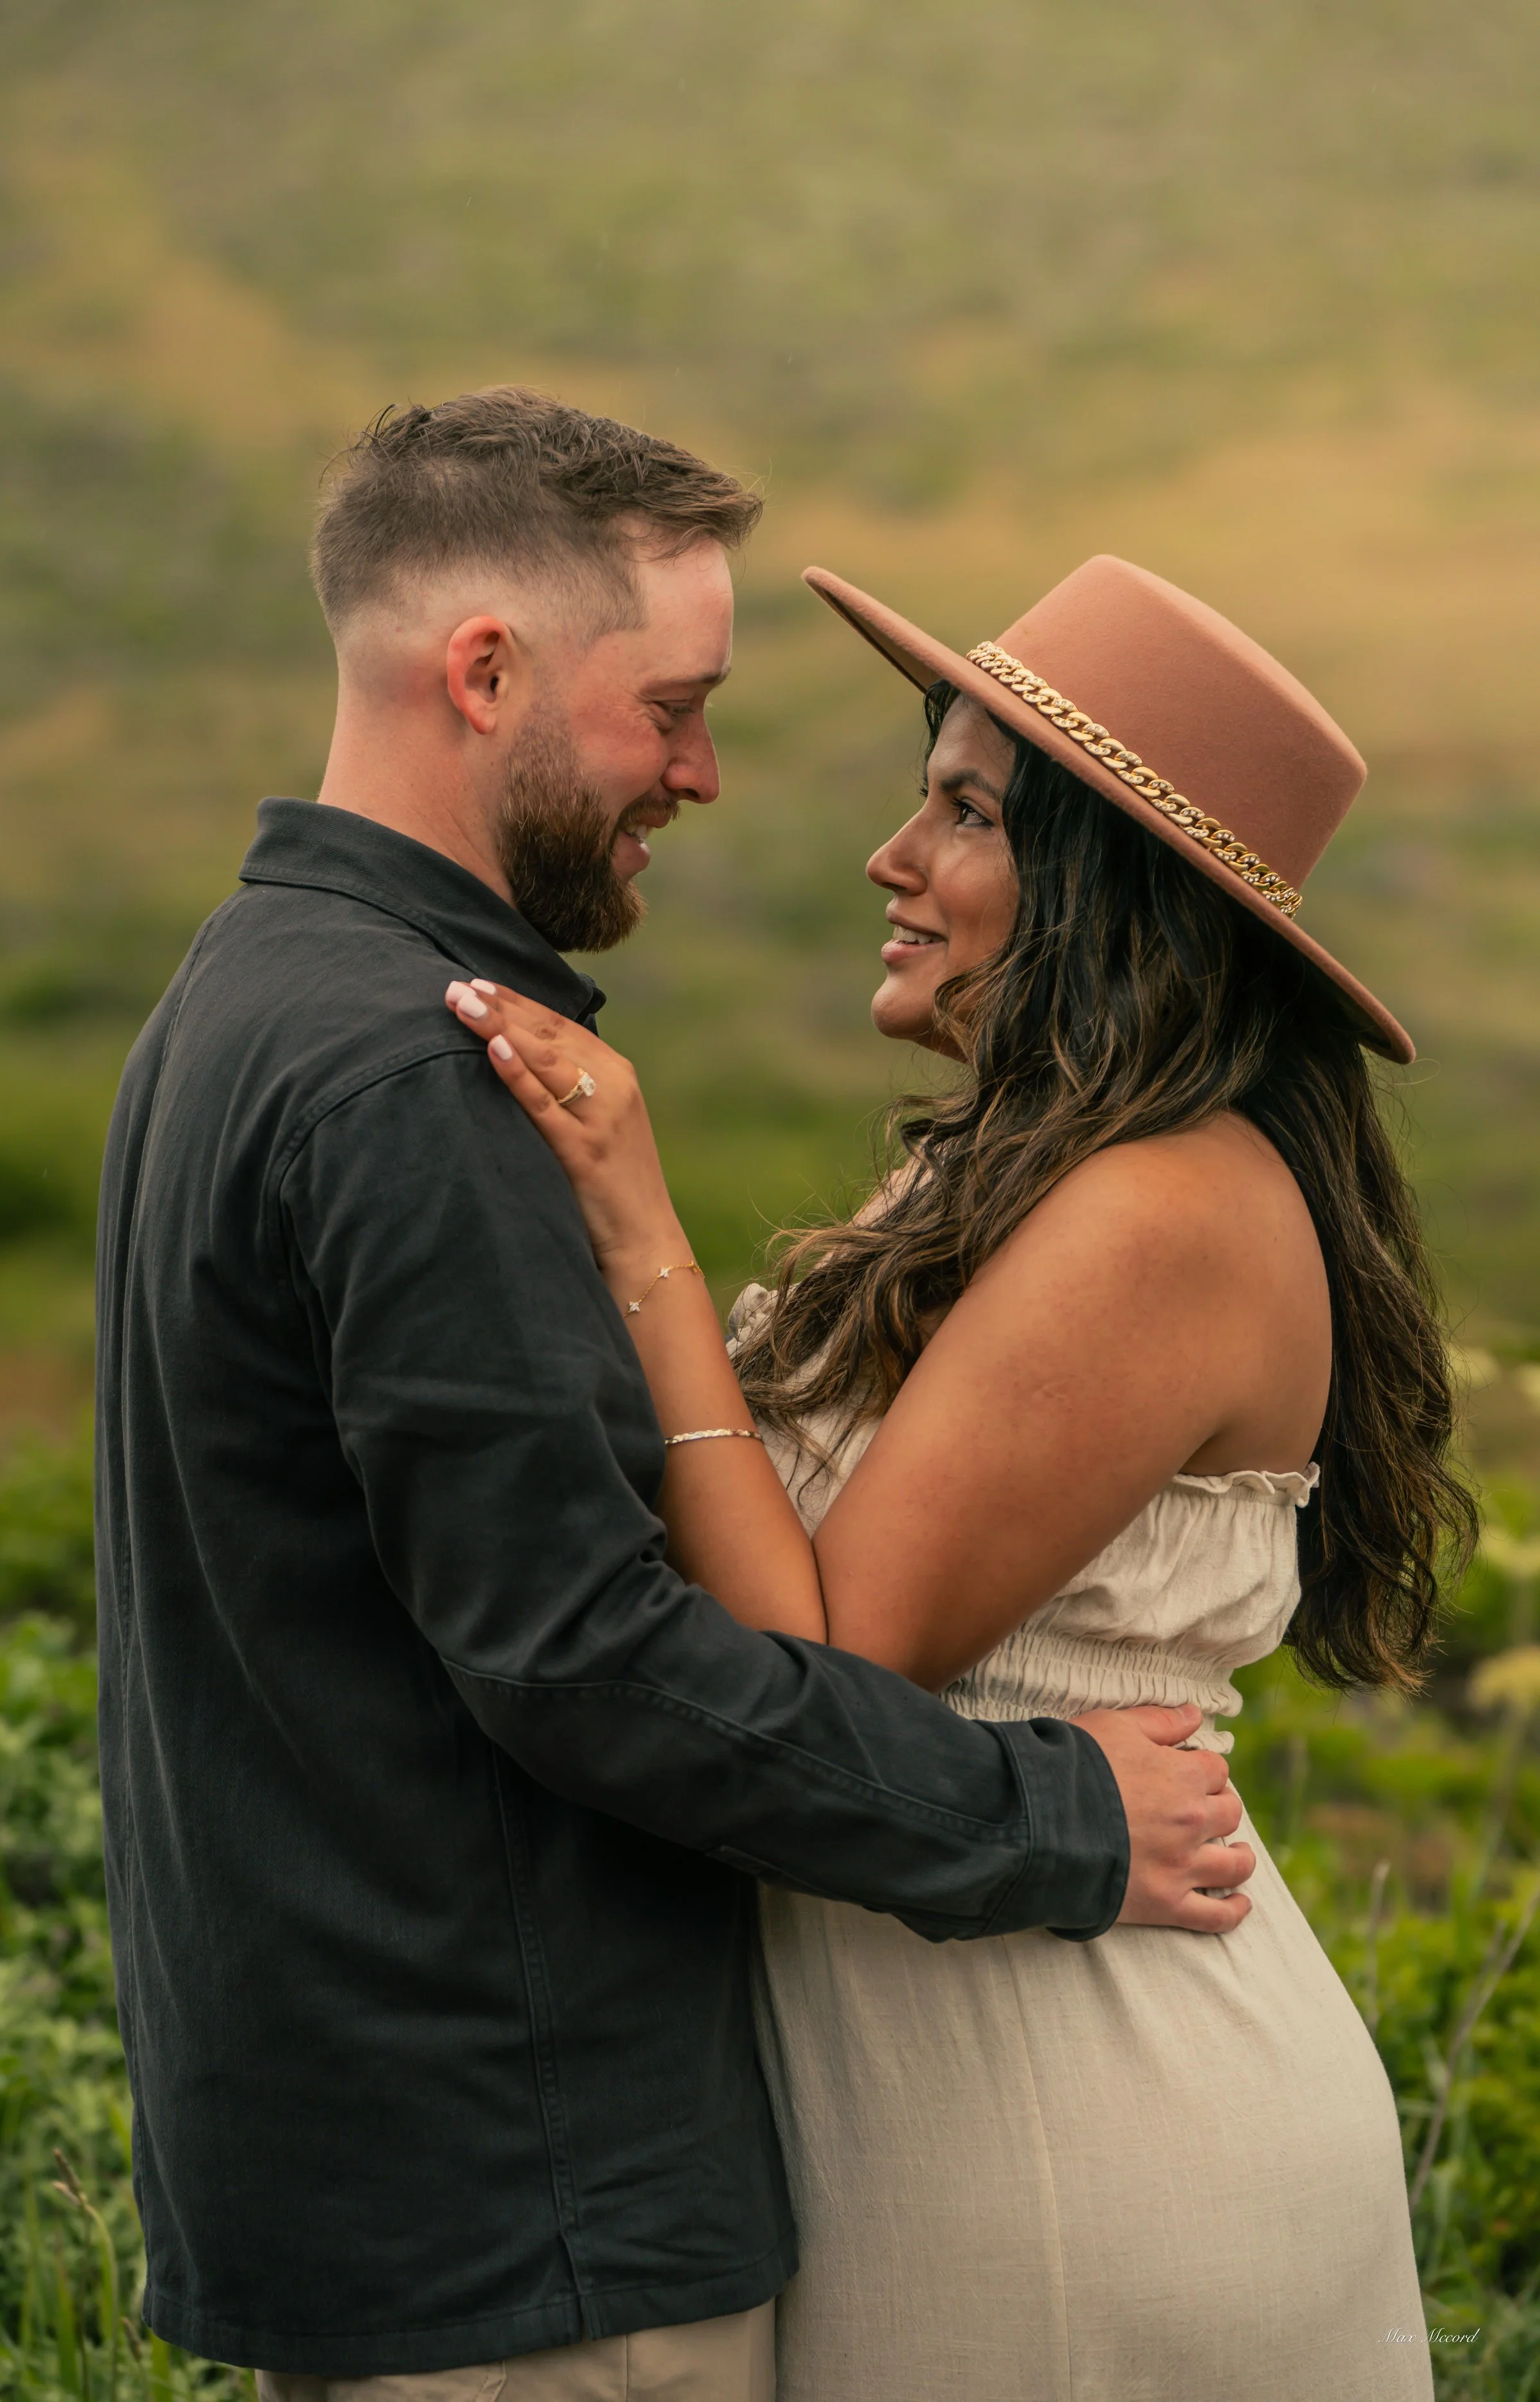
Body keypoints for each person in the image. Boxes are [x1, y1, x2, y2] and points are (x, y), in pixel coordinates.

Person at [93, 395, 1250, 2402]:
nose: (704, 775)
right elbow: (586, 1661)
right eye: (674, 708)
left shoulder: (244, 988)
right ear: (485, 672)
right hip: (533, 2202)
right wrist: (1058, 1813)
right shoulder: (414, 1073)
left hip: (369, 2155)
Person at [447, 551, 1478, 2401]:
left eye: (966, 811)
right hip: (933, 2074)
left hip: (1062, 2116)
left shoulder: (1161, 1211)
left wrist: (645, 1247)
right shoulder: (991, 1185)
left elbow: (829, 1664)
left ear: (1107, 892)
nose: (890, 856)